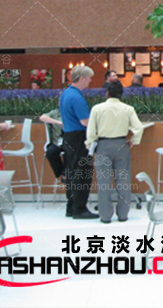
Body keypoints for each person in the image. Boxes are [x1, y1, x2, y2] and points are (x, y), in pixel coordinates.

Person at [86, 81, 143, 223]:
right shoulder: (128, 109)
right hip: (121, 144)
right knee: (123, 180)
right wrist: (133, 141)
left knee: (103, 182)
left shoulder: (97, 109)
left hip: (103, 145)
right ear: (121, 94)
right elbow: (139, 127)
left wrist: (90, 146)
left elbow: (91, 132)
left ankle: (105, 216)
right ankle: (123, 214)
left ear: (107, 93)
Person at [60, 65, 98, 219]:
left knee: (71, 172)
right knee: (82, 173)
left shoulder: (66, 93)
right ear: (82, 78)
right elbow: (85, 121)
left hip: (68, 136)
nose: (90, 81)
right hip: (79, 138)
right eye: (89, 78)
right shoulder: (77, 98)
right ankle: (80, 208)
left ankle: (71, 206)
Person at [39, 108, 65, 180]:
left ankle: (67, 174)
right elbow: (43, 117)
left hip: (71, 141)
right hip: (57, 142)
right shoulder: (55, 113)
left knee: (71, 153)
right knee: (51, 152)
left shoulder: (74, 112)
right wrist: (57, 122)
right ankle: (61, 174)